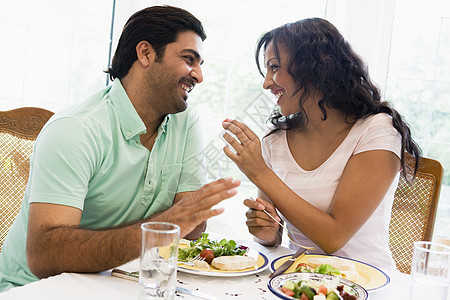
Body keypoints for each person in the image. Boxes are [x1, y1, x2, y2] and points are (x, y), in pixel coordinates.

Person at [0, 5, 240, 292]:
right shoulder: (75, 129)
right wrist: (168, 222)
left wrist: (186, 216)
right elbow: (45, 255)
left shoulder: (185, 122)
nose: (199, 76)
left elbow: (189, 226)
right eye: (189, 59)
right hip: (36, 288)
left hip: (117, 281)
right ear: (146, 53)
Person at [221, 18, 420, 270]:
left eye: (274, 67)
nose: (266, 83)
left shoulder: (376, 130)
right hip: (296, 281)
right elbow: (273, 236)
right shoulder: (276, 136)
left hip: (366, 283)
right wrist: (265, 229)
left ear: (313, 67)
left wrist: (259, 171)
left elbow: (333, 237)